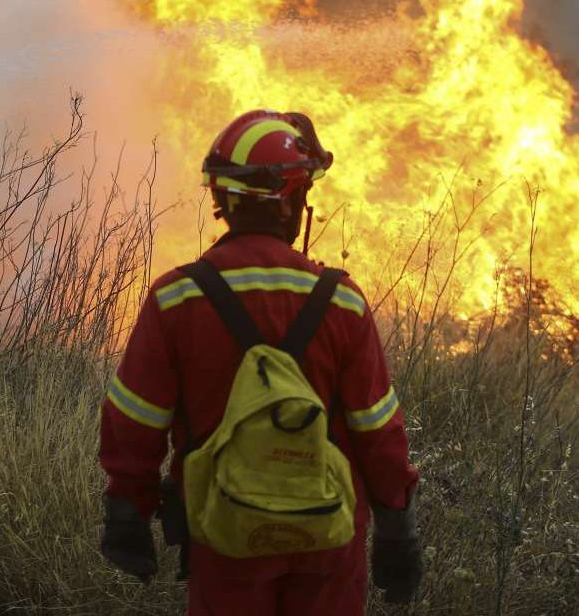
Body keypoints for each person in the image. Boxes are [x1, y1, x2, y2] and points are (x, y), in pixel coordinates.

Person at [98, 110, 423, 615]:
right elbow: (377, 430)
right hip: (328, 542)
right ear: (290, 200)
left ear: (221, 201)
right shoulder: (341, 302)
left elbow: (135, 421)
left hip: (227, 535)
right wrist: (397, 527)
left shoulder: (177, 299)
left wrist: (127, 511)